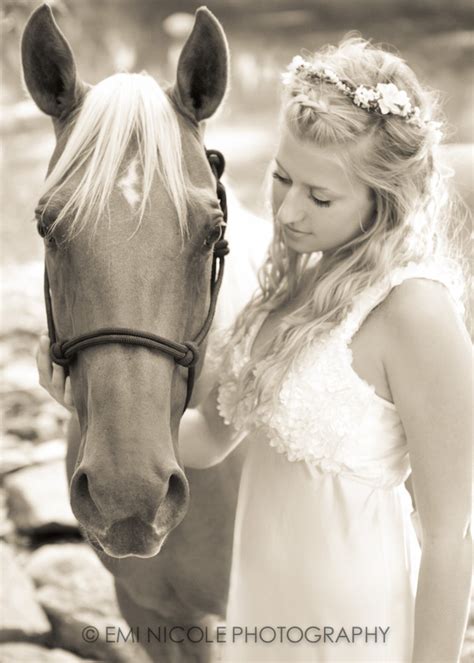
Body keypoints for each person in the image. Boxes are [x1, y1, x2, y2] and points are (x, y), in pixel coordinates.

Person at [37, 39, 472, 662]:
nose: (289, 213)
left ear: (384, 204)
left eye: (320, 198)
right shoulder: (282, 298)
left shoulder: (415, 314)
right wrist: (81, 399)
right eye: (281, 177)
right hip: (264, 614)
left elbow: (451, 534)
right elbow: (209, 440)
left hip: (355, 623)